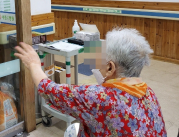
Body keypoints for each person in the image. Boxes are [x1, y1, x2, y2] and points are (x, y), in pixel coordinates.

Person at [14, 28, 167, 137]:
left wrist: (34, 63)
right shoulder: (149, 93)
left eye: (101, 58)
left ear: (110, 67)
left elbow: (49, 90)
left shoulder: (98, 97)